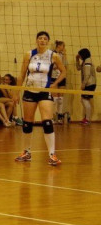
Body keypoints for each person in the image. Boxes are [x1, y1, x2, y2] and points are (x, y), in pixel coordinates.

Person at [15, 31, 66, 166]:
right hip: (30, 90)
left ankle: (52, 154)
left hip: (44, 91)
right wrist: (16, 93)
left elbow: (64, 71)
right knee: (27, 122)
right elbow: (21, 75)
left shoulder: (53, 55)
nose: (42, 40)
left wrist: (55, 84)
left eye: (45, 39)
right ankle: (26, 152)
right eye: (40, 38)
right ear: (36, 40)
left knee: (47, 121)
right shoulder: (29, 54)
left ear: (48, 41)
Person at [75, 48, 96, 125]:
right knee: (84, 100)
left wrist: (83, 84)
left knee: (84, 100)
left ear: (83, 55)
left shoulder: (87, 62)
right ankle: (87, 118)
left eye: (80, 55)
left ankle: (87, 119)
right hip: (89, 83)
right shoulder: (85, 61)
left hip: (89, 84)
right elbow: (78, 68)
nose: (79, 56)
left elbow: (87, 75)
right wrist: (77, 59)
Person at [52, 40, 67, 123]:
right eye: (63, 46)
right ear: (59, 46)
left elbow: (65, 66)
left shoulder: (62, 55)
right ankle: (53, 116)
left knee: (61, 98)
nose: (64, 48)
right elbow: (53, 66)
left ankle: (60, 116)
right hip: (53, 76)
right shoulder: (52, 54)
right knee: (54, 98)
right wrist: (58, 66)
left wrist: (65, 55)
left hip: (62, 76)